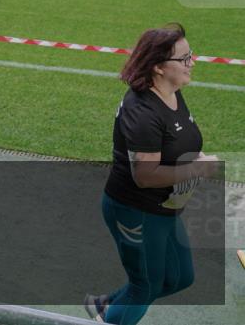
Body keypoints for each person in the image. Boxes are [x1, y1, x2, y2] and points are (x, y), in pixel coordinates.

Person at [85, 23, 220, 324]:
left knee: (179, 278)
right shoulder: (143, 112)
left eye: (191, 55)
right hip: (135, 211)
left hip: (163, 209)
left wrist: (194, 159)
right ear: (159, 66)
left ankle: (105, 307)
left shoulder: (171, 92)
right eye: (184, 58)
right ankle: (109, 316)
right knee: (144, 285)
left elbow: (175, 144)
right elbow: (144, 176)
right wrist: (197, 168)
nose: (192, 62)